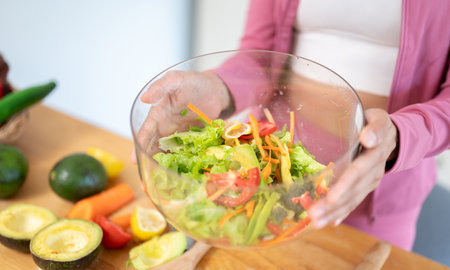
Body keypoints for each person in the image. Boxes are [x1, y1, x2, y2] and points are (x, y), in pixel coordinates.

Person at [138, 0, 450, 250]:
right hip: (268, 180)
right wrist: (218, 86)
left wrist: (397, 137)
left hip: (380, 188)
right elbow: (260, 55)